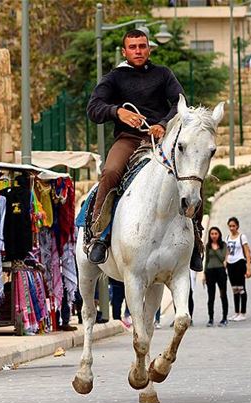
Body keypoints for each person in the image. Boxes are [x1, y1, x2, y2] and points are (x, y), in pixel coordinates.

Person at [86, 29, 203, 270]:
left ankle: (197, 239)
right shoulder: (114, 78)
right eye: (133, 47)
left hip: (162, 140)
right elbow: (94, 108)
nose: (138, 51)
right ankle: (100, 234)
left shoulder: (163, 74)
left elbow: (180, 103)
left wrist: (163, 124)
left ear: (149, 49)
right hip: (128, 139)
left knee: (193, 175)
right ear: (124, 51)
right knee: (110, 171)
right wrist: (117, 111)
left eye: (142, 46)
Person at [225, 217, 251, 321]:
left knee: (241, 288)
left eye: (233, 226)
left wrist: (248, 268)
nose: (232, 228)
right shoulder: (227, 238)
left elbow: (247, 252)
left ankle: (243, 312)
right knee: (234, 289)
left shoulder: (242, 237)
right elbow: (227, 251)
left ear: (237, 226)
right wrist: (225, 261)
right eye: (230, 226)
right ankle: (236, 312)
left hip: (239, 263)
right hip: (230, 263)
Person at [203, 227, 228, 326]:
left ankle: (224, 318)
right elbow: (207, 260)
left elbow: (222, 258)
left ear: (219, 234)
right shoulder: (208, 246)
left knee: (223, 295)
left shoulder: (223, 245)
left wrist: (216, 248)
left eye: (215, 234)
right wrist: (204, 273)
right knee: (211, 296)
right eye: (212, 234)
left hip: (220, 270)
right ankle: (210, 318)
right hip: (210, 271)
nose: (214, 236)